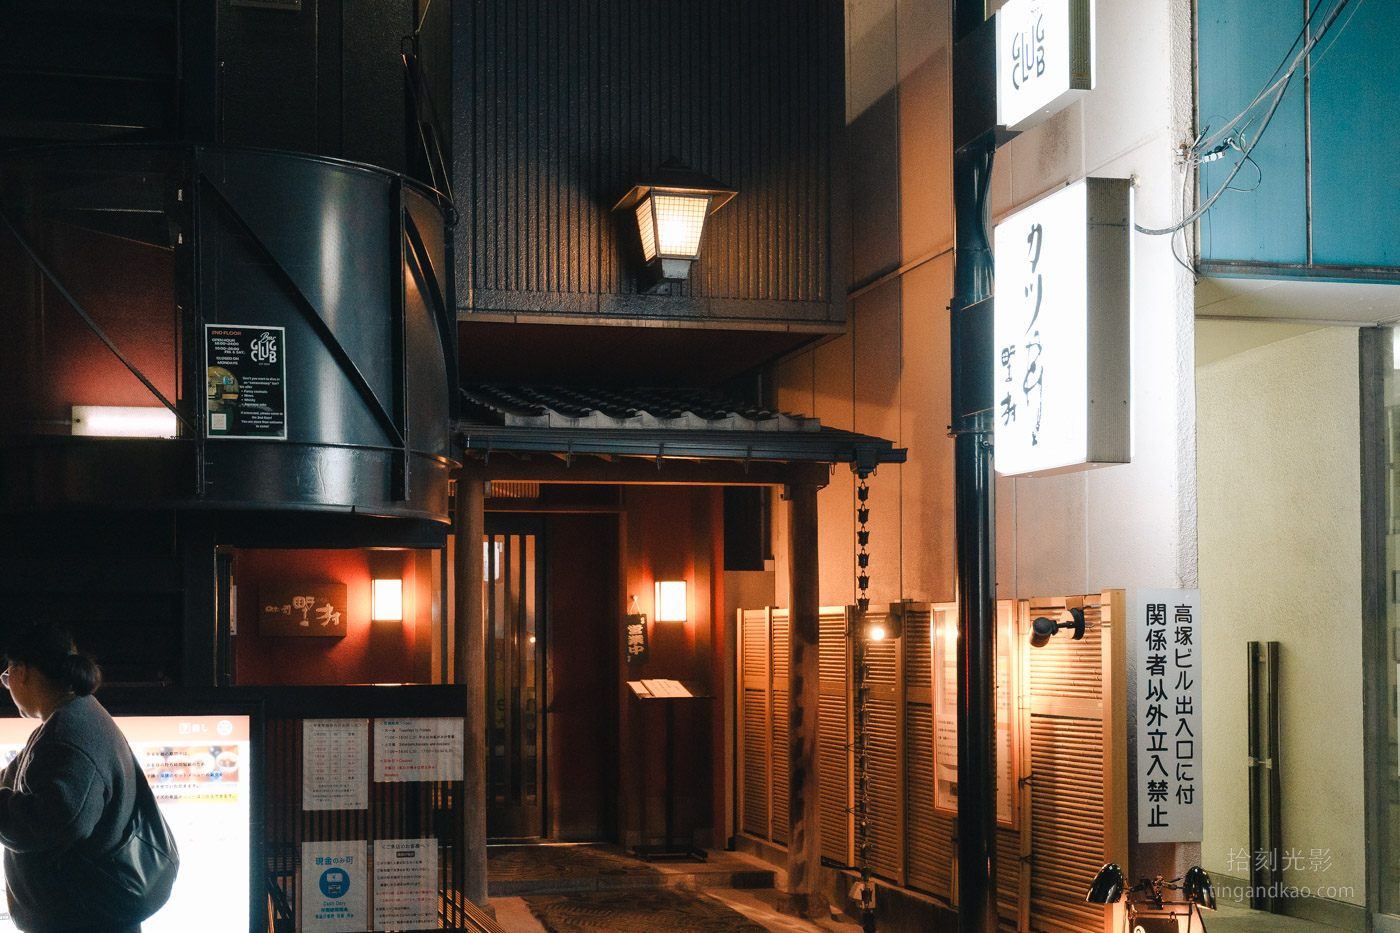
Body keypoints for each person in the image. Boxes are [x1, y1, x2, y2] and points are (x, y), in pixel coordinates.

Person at [0, 623, 147, 933]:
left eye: (6, 677)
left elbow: (49, 826)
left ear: (21, 672)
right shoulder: (70, 717)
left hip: (84, 922)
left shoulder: (68, 736)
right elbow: (15, 779)